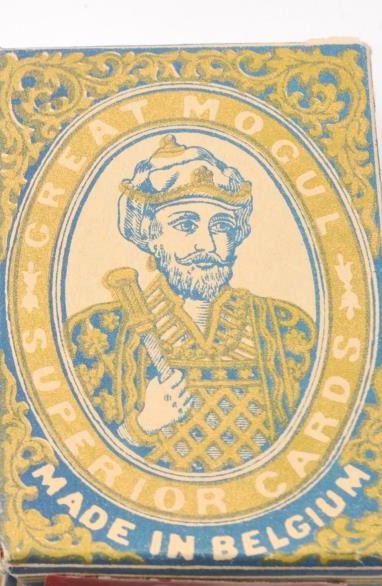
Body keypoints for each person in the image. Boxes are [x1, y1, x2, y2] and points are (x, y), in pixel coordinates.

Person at [66, 135, 316, 474]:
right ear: (149, 233)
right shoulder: (96, 335)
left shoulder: (286, 328)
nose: (207, 244)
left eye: (222, 226)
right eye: (185, 225)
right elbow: (79, 459)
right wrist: (140, 426)